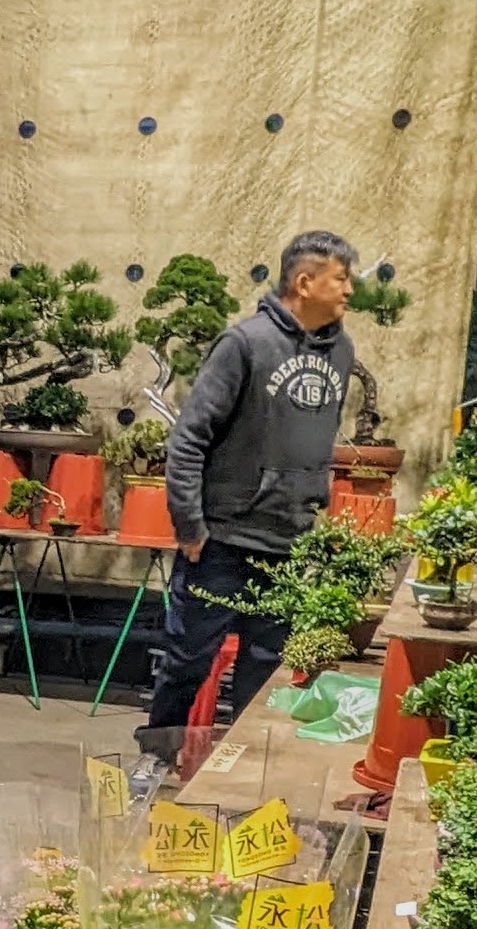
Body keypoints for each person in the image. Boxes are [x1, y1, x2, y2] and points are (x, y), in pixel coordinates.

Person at [145, 229, 362, 734]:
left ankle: (239, 782)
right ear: (305, 282)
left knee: (266, 672)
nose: (350, 290)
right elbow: (188, 440)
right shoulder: (244, 344)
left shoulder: (342, 351)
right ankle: (154, 760)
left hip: (288, 544)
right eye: (341, 279)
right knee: (187, 662)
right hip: (221, 542)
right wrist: (190, 526)